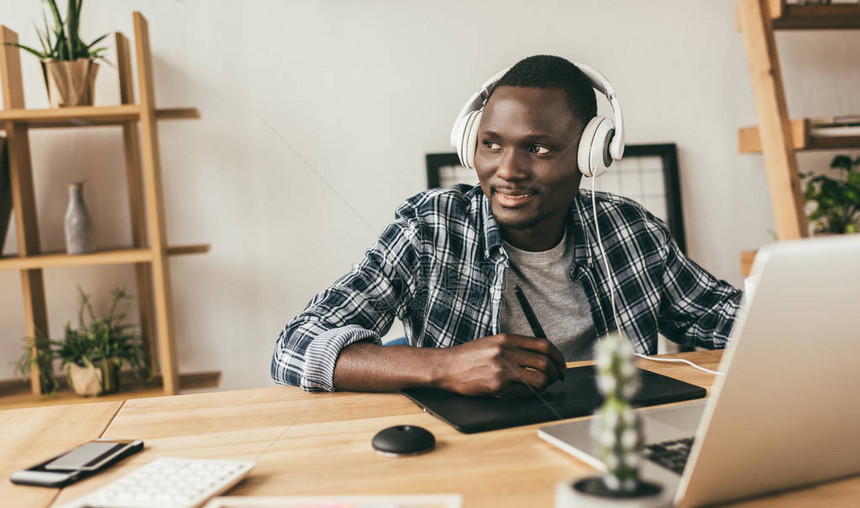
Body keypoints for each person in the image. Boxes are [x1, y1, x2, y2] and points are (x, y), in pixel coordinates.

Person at [271, 55, 742, 397]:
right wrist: (445, 366)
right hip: (477, 452)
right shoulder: (430, 227)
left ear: (590, 155)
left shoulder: (632, 231)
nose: (508, 170)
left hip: (615, 440)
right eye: (491, 144)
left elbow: (722, 316)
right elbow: (295, 346)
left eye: (538, 148)